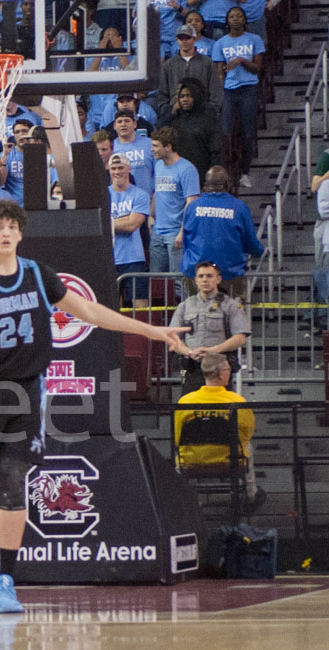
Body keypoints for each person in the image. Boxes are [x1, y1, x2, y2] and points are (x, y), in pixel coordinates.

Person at [0, 200, 188, 614]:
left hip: (28, 392)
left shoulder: (37, 276)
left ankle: (6, 579)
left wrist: (150, 329)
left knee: (15, 482)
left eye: (13, 226)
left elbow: (91, 312)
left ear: (20, 234)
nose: (6, 232)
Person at [174, 352, 265, 513]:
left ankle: (180, 499)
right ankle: (251, 495)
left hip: (191, 462)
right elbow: (246, 434)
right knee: (247, 446)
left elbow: (177, 438)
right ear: (222, 374)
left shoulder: (185, 401)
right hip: (230, 461)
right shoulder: (236, 401)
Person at [178, 166, 263, 299]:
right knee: (232, 315)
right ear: (227, 184)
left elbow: (186, 240)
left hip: (197, 271)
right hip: (229, 272)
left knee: (197, 314)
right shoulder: (239, 207)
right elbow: (249, 240)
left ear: (205, 184)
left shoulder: (193, 206)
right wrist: (258, 252)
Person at [170, 261, 251, 396]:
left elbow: (240, 337)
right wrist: (189, 352)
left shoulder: (229, 305)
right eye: (201, 276)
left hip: (219, 370)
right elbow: (172, 338)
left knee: (222, 412)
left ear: (218, 279)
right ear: (195, 280)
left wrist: (213, 351)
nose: (205, 280)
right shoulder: (185, 306)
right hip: (193, 368)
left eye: (209, 276)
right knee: (190, 412)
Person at [212, 6, 263, 188]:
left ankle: (245, 172)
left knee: (248, 132)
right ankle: (226, 171)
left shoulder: (254, 39)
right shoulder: (220, 43)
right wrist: (221, 91)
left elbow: (257, 67)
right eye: (232, 16)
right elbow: (219, 71)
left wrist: (241, 60)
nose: (235, 19)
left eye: (239, 16)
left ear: (244, 19)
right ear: (227, 20)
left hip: (248, 87)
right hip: (229, 90)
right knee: (225, 131)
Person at [107, 153, 151, 307]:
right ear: (108, 169)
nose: (117, 172)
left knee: (140, 305)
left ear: (128, 169)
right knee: (112, 307)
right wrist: (124, 219)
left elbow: (132, 225)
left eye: (120, 167)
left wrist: (108, 223)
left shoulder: (140, 195)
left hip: (133, 258)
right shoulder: (102, 195)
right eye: (113, 168)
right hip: (109, 257)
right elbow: (95, 224)